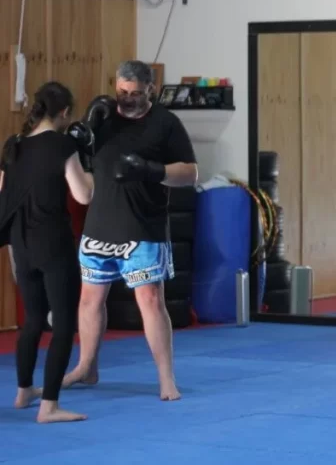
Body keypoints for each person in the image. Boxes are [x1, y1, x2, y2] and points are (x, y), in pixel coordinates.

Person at [63, 61, 199, 400]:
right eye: (122, 92)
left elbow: (190, 173)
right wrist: (79, 137)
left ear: (150, 89)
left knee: (151, 301)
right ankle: (87, 366)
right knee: (89, 299)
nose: (128, 99)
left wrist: (151, 170)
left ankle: (167, 379)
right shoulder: (104, 116)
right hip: (100, 223)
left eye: (136, 94)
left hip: (144, 225)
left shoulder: (166, 124)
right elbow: (80, 159)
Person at [0, 82, 94, 423]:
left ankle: (24, 391)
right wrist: (93, 173)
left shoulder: (14, 145)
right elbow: (83, 196)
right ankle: (50, 405)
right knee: (64, 323)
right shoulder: (62, 143)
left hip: (19, 245)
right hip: (52, 243)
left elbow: (3, 194)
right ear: (65, 113)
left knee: (33, 320)